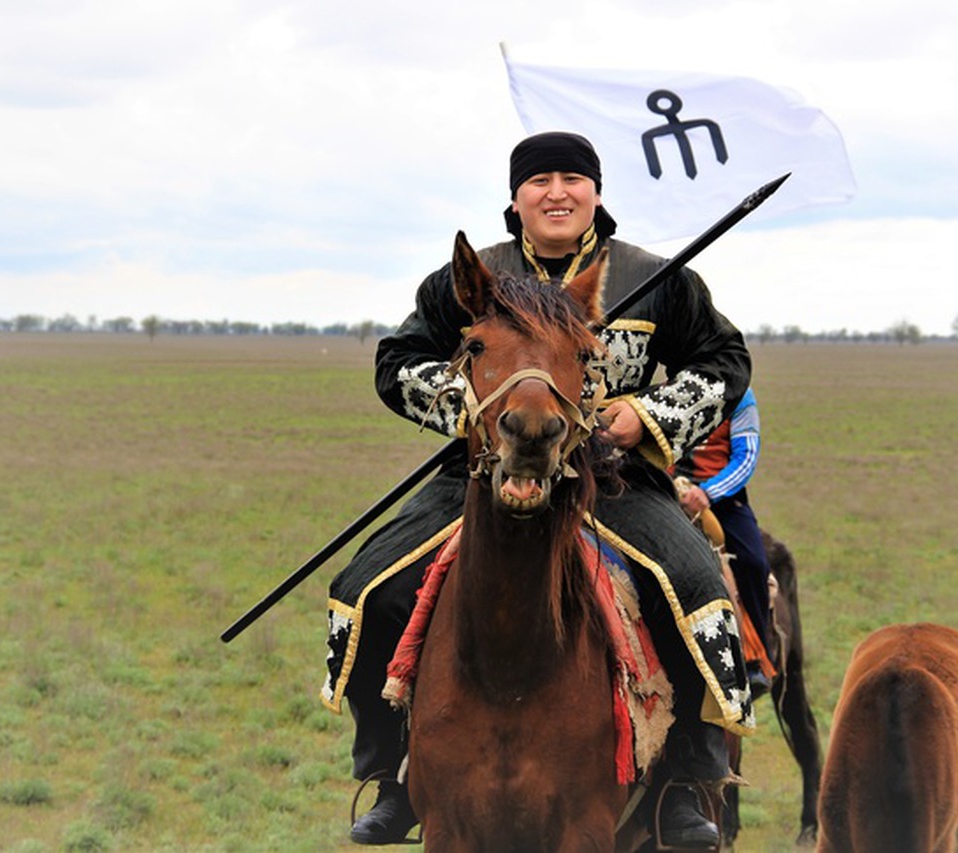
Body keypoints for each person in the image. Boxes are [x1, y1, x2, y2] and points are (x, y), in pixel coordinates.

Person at [321, 131, 754, 848]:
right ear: (516, 198)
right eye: (540, 179)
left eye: (572, 178)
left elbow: (724, 359)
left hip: (613, 479)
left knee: (698, 588)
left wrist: (643, 415)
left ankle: (686, 779)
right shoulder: (468, 280)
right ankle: (394, 775)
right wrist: (468, 408)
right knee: (364, 587)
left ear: (595, 192)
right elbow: (397, 360)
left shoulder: (656, 276)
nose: (557, 191)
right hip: (481, 474)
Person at [674, 387, 777, 696]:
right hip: (667, 493)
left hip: (719, 497)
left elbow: (746, 458)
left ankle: (756, 659)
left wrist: (707, 492)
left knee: (753, 562)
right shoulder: (670, 390)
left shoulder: (740, 397)